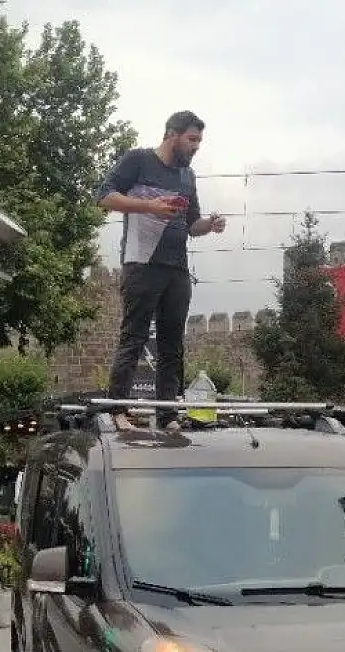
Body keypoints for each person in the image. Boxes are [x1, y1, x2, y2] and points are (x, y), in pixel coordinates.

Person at [94, 110, 228, 431]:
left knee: (172, 343)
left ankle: (167, 414)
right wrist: (149, 207)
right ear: (172, 134)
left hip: (177, 268)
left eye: (199, 141)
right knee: (134, 337)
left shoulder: (187, 176)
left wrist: (209, 225)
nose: (196, 147)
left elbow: (192, 223)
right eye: (192, 140)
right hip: (142, 263)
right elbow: (104, 196)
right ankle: (118, 410)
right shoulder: (138, 160)